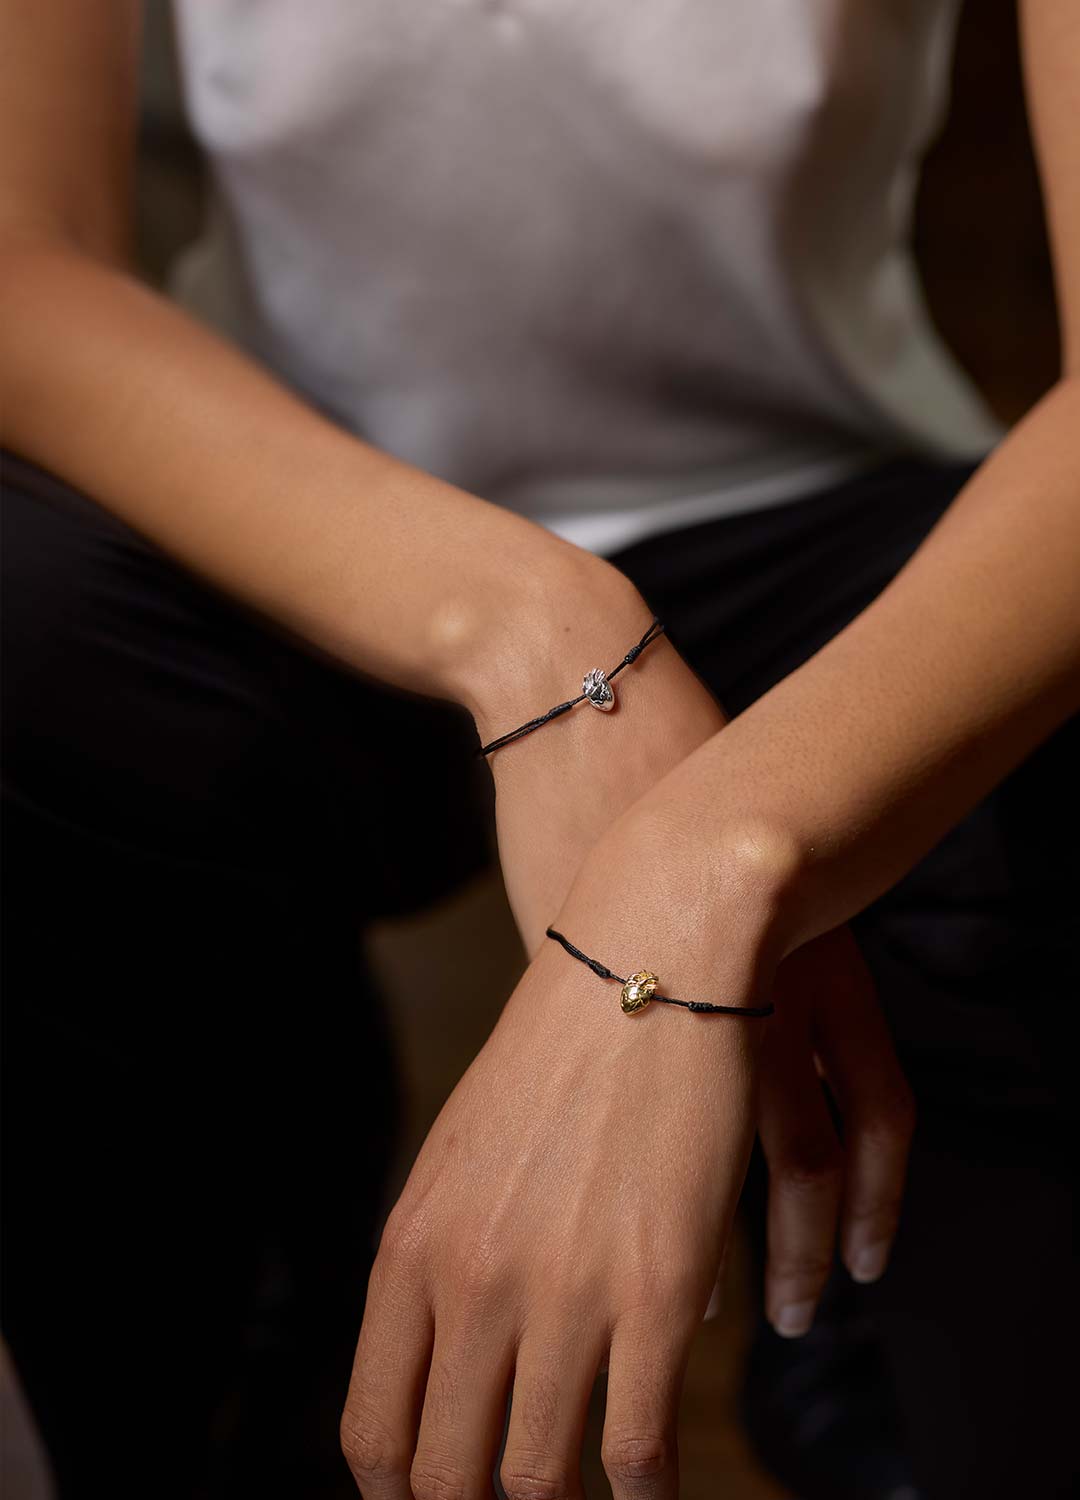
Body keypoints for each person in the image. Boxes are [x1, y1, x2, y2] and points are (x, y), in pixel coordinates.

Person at [1, 3, 1076, 1498]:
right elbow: (21, 262)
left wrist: (711, 859)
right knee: (23, 633)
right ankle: (246, 1214)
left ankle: (838, 1276)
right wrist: (543, 635)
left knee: (1035, 749)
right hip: (298, 490)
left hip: (802, 490)